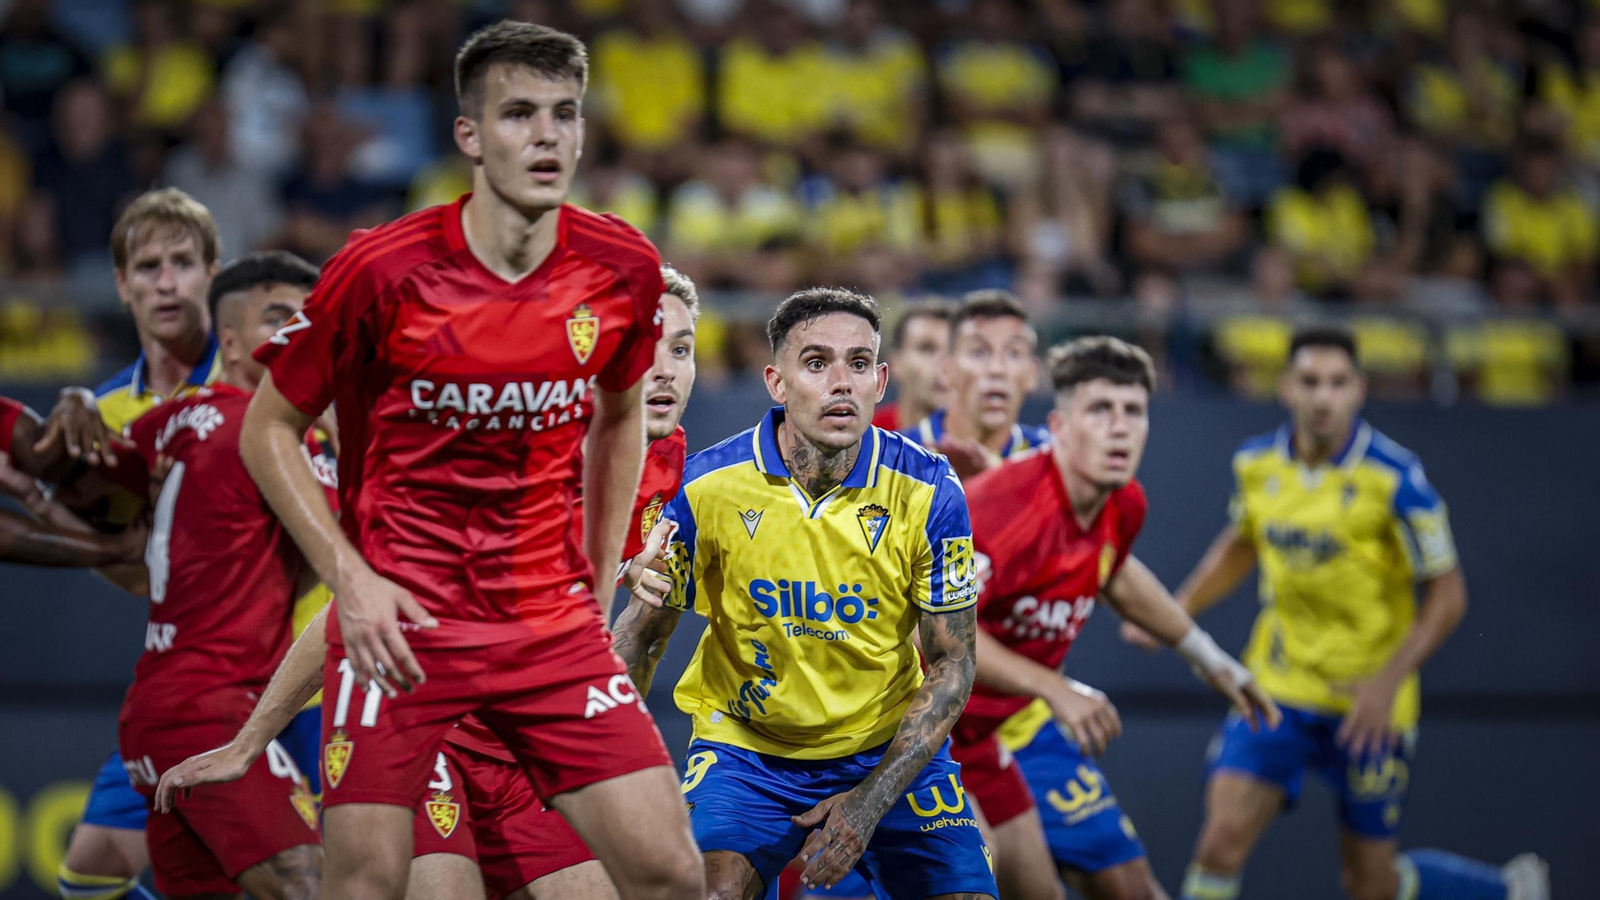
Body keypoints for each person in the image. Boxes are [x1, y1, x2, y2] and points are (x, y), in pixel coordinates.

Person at [238, 21, 702, 900]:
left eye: (564, 114)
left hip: (547, 627)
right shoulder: (381, 270)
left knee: (671, 874)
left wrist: (595, 581)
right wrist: (353, 579)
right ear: (469, 135)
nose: (545, 136)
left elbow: (616, 419)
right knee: (367, 886)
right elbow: (267, 429)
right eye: (519, 113)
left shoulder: (621, 266)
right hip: (408, 625)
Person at [159, 264, 706, 900]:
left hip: (530, 755)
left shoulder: (666, 460)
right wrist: (248, 744)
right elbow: (356, 609)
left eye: (682, 348)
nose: (664, 367)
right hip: (425, 738)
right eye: (643, 345)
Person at [1122, 326, 1550, 900]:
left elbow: (1449, 596)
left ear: (1359, 391)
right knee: (1220, 840)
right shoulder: (1255, 463)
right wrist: (1177, 609)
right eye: (1310, 382)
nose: (1323, 396)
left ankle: (1501, 891)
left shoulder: (1397, 479)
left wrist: (1385, 684)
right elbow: (1243, 541)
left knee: (1370, 885)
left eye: (1337, 383)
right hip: (1276, 685)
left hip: (1368, 701)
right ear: (1286, 389)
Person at [611, 287, 998, 900]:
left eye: (859, 364)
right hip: (747, 755)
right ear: (777, 381)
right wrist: (602, 772)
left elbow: (953, 663)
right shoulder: (706, 488)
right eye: (816, 363)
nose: (840, 383)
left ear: (881, 380)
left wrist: (868, 805)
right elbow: (642, 635)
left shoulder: (930, 491)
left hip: (882, 748)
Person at [949, 337, 1278, 900]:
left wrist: (1209, 660)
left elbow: (1114, 573)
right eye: (1100, 410)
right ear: (1059, 424)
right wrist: (1055, 687)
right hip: (920, 733)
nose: (1120, 427)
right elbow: (944, 636)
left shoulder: (1125, 504)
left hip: (983, 738)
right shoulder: (1003, 512)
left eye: (1133, 412)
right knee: (970, 886)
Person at [117, 251, 332, 900]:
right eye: (279, 319)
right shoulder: (267, 438)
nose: (298, 334)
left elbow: (102, 494)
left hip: (156, 707)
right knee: (308, 882)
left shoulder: (168, 423)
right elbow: (374, 538)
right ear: (230, 342)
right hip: (215, 709)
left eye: (308, 322)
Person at [906, 291, 1048, 480]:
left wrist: (994, 483)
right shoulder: (895, 455)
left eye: (1014, 353)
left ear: (1032, 374)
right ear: (947, 370)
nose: (997, 369)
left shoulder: (1051, 463)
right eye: (979, 352)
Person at [871, 300, 952, 433]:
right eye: (927, 349)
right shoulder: (865, 436)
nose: (944, 363)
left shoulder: (984, 442)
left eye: (952, 350)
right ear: (896, 363)